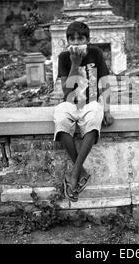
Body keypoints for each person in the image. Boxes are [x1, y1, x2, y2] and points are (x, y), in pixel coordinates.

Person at [54, 21, 114, 202]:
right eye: (72, 39)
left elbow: (104, 81)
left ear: (87, 40)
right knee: (60, 119)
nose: (76, 42)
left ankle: (74, 174)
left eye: (80, 38)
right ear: (67, 41)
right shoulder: (64, 57)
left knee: (95, 117)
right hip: (71, 102)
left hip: (91, 102)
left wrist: (108, 109)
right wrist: (75, 64)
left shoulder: (95, 53)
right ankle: (81, 172)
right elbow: (66, 91)